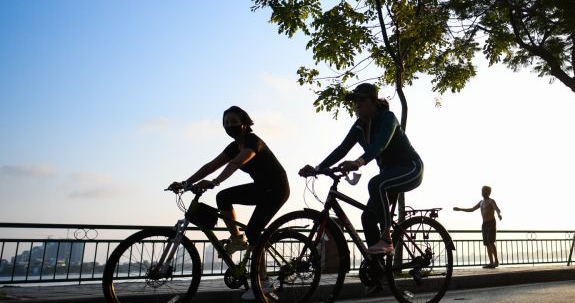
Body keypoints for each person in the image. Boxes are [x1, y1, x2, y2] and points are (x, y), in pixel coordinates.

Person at [299, 83, 424, 255]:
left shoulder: (388, 118)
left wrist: (358, 162)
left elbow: (380, 144)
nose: (357, 104)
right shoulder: (359, 126)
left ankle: (386, 239)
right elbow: (342, 149)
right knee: (367, 217)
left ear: (373, 101)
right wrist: (317, 168)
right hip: (388, 176)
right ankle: (377, 268)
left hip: (411, 169)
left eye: (362, 100)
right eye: (354, 101)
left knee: (376, 184)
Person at [170, 106, 290, 254]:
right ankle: (238, 240)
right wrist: (185, 183)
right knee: (223, 197)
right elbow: (210, 166)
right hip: (261, 187)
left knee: (253, 232)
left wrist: (215, 181)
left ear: (244, 124)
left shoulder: (253, 142)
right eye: (226, 123)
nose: (229, 126)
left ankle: (258, 270)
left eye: (233, 122)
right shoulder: (233, 147)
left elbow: (236, 163)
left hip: (277, 189)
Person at [454, 185, 502, 268]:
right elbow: (472, 209)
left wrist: (499, 214)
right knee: (487, 243)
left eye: (484, 191)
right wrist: (460, 209)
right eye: (482, 191)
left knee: (491, 241)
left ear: (488, 192)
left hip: (491, 223)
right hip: (484, 224)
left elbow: (497, 209)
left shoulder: (491, 201)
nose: (482, 192)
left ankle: (496, 261)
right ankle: (491, 262)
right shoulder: (481, 202)